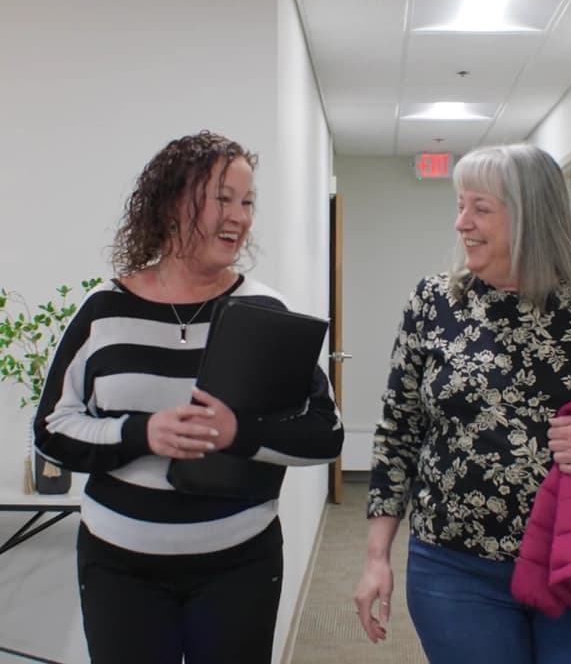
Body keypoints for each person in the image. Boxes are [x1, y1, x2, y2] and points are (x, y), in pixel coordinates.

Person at [34, 130, 343, 664]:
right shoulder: (103, 310)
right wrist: (140, 433)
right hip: (117, 566)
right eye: (222, 199)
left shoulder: (264, 310)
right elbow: (52, 430)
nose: (240, 217)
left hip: (239, 565)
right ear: (174, 202)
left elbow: (326, 434)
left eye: (247, 202)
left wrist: (238, 434)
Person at [353, 143, 571, 664]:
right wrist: (375, 557)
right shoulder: (433, 303)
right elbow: (398, 431)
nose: (461, 223)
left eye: (480, 208)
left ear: (530, 218)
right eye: (459, 205)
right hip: (455, 569)